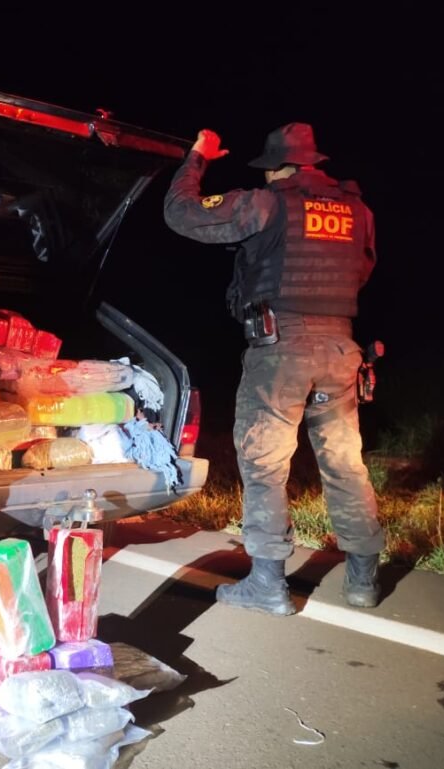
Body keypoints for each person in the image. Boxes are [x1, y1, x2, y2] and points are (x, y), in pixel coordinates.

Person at [163, 123, 385, 616]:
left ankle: (268, 585)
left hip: (281, 349)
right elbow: (362, 271)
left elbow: (182, 214)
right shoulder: (358, 210)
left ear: (276, 167)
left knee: (264, 463)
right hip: (341, 348)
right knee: (345, 463)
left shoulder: (268, 204)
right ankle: (363, 583)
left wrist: (197, 158)